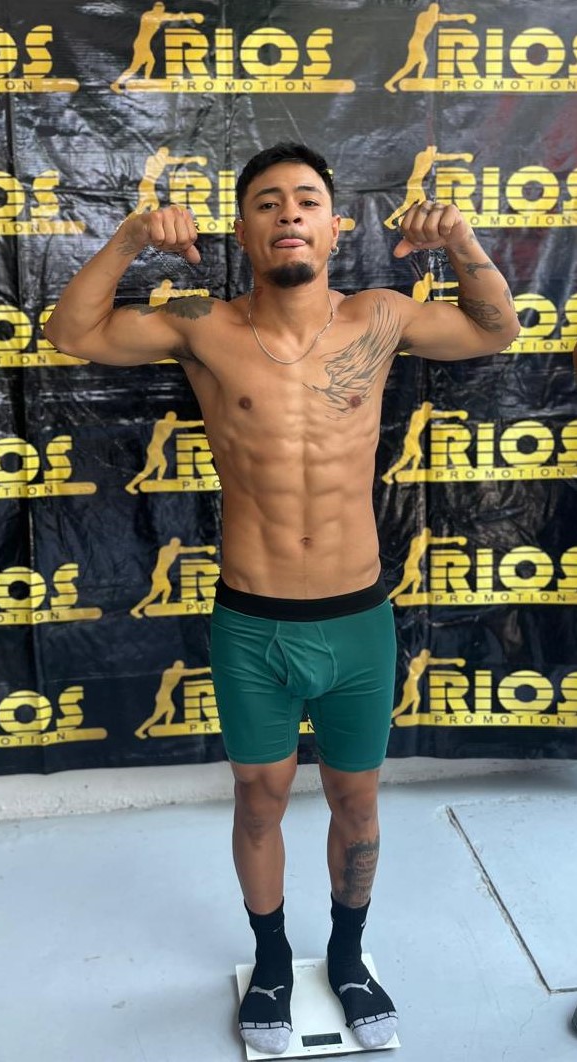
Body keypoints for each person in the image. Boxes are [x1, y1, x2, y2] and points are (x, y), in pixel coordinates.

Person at [45, 142, 520, 1053]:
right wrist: (133, 237)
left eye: (305, 200)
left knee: (356, 804)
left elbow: (494, 329)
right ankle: (270, 959)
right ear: (242, 231)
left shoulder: (379, 315)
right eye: (267, 203)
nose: (288, 213)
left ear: (336, 227)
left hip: (356, 619)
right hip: (252, 621)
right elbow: (72, 333)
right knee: (258, 800)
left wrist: (461, 241)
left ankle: (346, 956)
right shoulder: (202, 326)